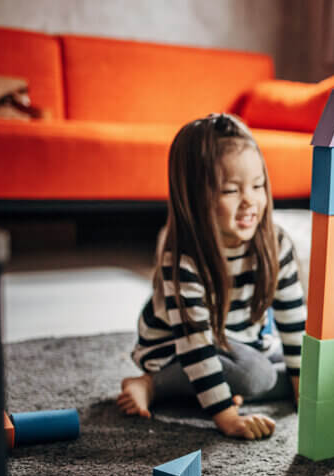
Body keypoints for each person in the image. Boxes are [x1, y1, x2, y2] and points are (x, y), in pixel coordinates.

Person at [117, 113, 305, 440]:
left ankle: (213, 389)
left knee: (310, 366)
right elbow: (196, 349)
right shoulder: (184, 259)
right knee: (257, 375)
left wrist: (306, 393)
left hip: (239, 339)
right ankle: (152, 384)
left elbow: (293, 323)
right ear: (195, 197)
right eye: (231, 190)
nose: (250, 201)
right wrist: (228, 418)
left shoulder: (277, 243)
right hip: (177, 348)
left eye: (258, 186)